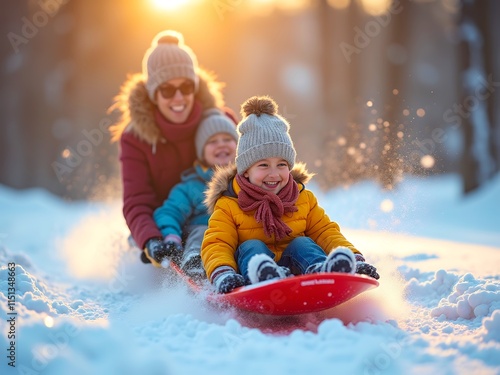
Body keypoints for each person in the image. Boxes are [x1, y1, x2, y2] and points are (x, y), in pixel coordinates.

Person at [200, 96, 380, 294]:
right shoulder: (229, 204)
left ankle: (321, 271)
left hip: (298, 268)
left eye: (282, 165)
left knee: (303, 243)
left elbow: (326, 232)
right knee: (251, 245)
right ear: (245, 171)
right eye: (263, 165)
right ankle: (263, 275)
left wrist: (355, 258)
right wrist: (222, 273)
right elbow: (218, 242)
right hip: (251, 270)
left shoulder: (303, 199)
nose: (274, 173)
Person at [109, 30, 237, 266]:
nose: (178, 97)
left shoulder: (220, 124)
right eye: (167, 90)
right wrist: (151, 239)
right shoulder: (135, 138)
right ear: (153, 95)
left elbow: (253, 167)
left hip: (224, 220)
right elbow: (137, 200)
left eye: (186, 87)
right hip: (168, 225)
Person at [152, 111, 238, 278]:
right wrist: (171, 236)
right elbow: (170, 212)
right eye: (212, 141)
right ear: (201, 152)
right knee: (203, 231)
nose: (221, 144)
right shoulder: (191, 187)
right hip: (201, 236)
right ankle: (194, 261)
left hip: (232, 240)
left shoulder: (248, 181)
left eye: (227, 139)